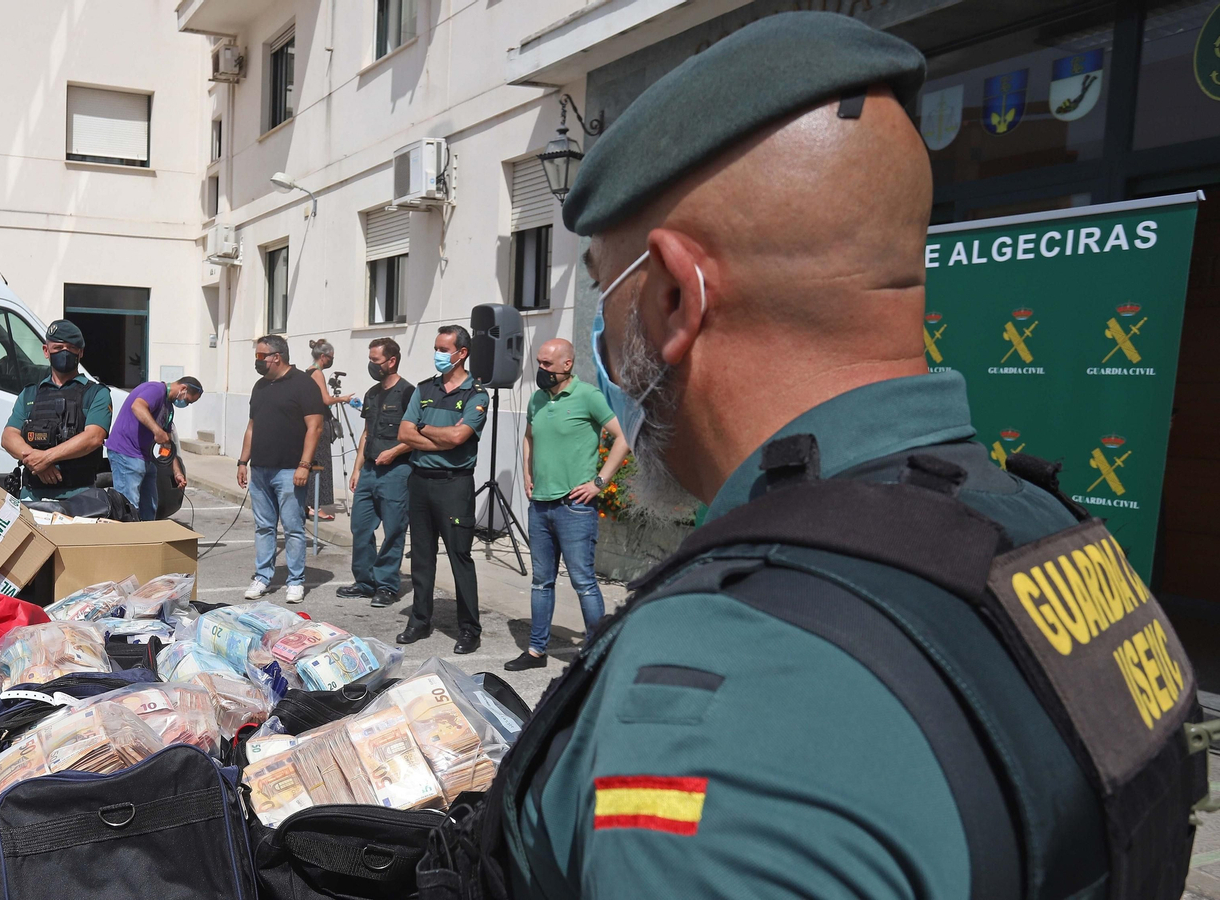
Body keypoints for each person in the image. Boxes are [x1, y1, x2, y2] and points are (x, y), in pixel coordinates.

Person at [420, 12, 1202, 900]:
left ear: (676, 294)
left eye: (607, 287)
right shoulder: (1052, 534)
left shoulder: (728, 686)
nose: (600, 330)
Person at [505, 338, 628, 671]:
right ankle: (536, 651)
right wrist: (528, 473)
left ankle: (597, 653)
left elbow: (624, 436)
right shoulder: (537, 399)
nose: (541, 369)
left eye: (547, 364)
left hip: (574, 508)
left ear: (566, 364)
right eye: (539, 362)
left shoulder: (588, 396)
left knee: (583, 582)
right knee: (541, 581)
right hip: (540, 506)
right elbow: (528, 437)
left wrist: (599, 482)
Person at [396, 325, 489, 655]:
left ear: (461, 352)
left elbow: (458, 438)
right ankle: (419, 620)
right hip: (420, 482)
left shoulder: (476, 394)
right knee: (421, 557)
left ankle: (469, 629)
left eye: (443, 348)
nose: (437, 354)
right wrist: (435, 437)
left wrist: (427, 431)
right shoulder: (424, 388)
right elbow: (405, 432)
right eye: (435, 347)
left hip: (454, 484)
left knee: (459, 556)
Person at [237, 335, 323, 604]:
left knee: (293, 527)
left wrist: (304, 465)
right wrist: (243, 461)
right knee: (264, 527)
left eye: (261, 356)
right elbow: (252, 426)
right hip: (261, 469)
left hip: (290, 470)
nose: (257, 361)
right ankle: (262, 577)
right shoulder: (260, 387)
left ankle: (295, 581)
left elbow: (315, 427)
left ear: (277, 356)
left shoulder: (304, 385)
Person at [337, 338, 415, 608]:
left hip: (396, 472)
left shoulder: (409, 393)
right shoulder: (371, 394)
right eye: (370, 359)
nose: (372, 365)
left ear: (392, 361)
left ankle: (386, 585)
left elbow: (417, 436)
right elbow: (366, 434)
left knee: (393, 530)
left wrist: (394, 452)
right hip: (370, 470)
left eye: (376, 361)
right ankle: (364, 582)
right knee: (360, 527)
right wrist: (357, 469)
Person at [0, 320, 112, 501]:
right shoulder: (30, 394)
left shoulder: (96, 393)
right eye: (58, 347)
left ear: (81, 352)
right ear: (46, 351)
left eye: (71, 348)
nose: (64, 352)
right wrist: (37, 462)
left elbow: (94, 437)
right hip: (32, 497)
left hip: (80, 498)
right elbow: (8, 436)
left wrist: (46, 458)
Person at [105, 376, 202, 520]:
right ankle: (129, 540)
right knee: (128, 507)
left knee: (149, 505)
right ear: (183, 389)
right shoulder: (155, 390)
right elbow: (137, 406)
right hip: (126, 453)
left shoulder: (168, 408)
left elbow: (167, 443)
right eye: (187, 400)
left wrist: (177, 472)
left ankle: (147, 536)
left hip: (146, 458)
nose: (185, 404)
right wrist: (157, 431)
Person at [304, 339, 355, 521]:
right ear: (324, 356)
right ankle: (315, 506)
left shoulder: (307, 372)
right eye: (331, 357)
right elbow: (325, 399)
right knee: (321, 464)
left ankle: (308, 504)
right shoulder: (317, 373)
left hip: (310, 422)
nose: (332, 360)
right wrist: (343, 399)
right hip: (319, 423)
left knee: (312, 462)